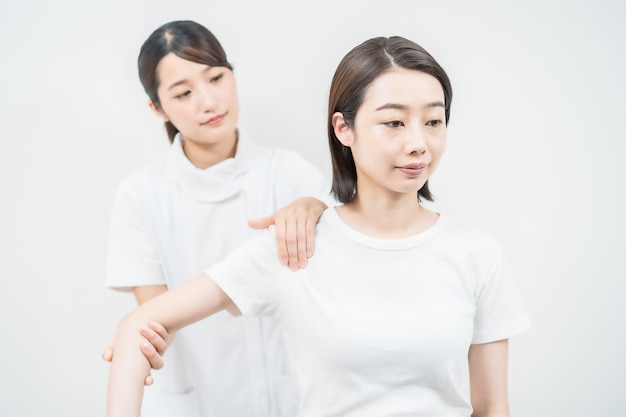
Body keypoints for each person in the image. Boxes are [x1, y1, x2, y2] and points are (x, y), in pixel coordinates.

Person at [106, 35, 532, 417]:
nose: (418, 142)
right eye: (394, 122)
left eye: (434, 120)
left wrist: (311, 204)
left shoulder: (477, 253)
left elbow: (492, 405)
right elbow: (142, 324)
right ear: (343, 128)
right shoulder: (293, 247)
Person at [103, 20, 333, 417]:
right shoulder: (140, 195)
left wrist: (319, 207)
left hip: (294, 399)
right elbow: (158, 318)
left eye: (216, 78)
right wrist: (137, 343)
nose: (209, 102)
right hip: (196, 400)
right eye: (184, 93)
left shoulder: (293, 175)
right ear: (157, 108)